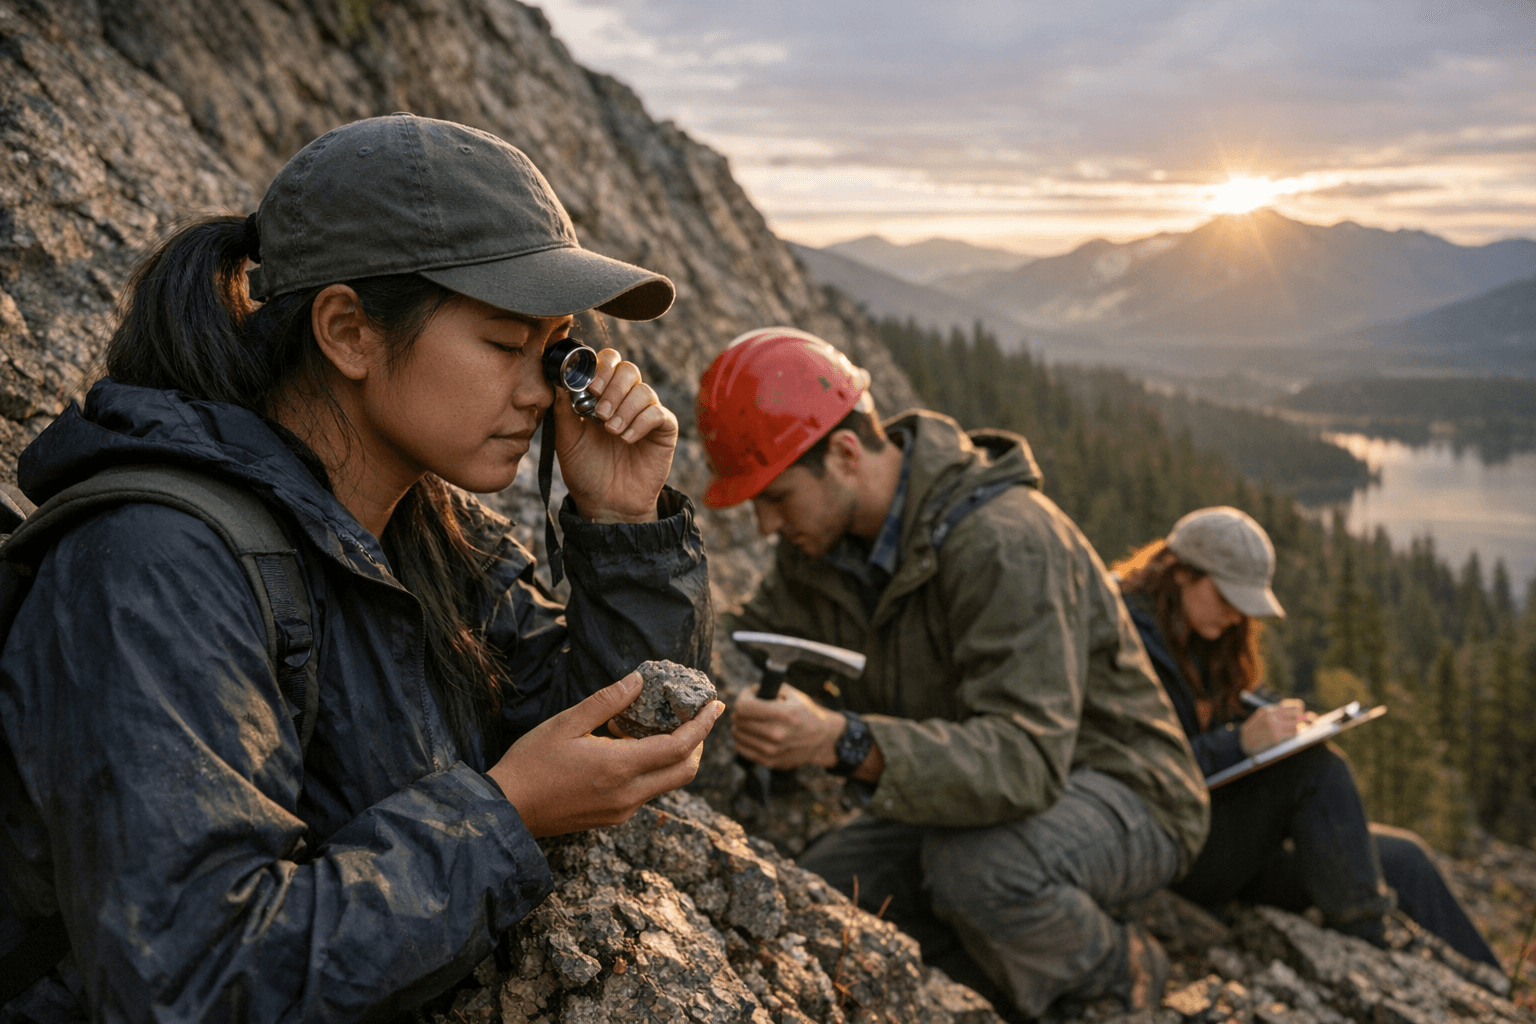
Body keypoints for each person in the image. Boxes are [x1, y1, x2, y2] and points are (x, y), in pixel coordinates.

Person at [0, 113, 723, 1022]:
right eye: (505, 346)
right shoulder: (155, 565)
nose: (542, 392)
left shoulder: (423, 529)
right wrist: (502, 816)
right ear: (347, 331)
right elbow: (188, 979)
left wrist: (621, 524)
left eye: (551, 351)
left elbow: (622, 738)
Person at [697, 327, 1210, 1019]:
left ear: (845, 454)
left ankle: (1122, 972)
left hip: (1123, 787)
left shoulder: (1005, 539)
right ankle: (1017, 967)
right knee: (828, 890)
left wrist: (841, 741)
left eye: (777, 497)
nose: (764, 526)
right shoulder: (819, 549)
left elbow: (1027, 759)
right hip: (979, 798)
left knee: (977, 873)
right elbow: (746, 639)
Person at [1116, 506, 1499, 968]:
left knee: (1406, 859)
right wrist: (1238, 745)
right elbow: (1134, 766)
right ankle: (1372, 954)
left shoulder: (1199, 633)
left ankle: (1502, 996)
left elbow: (1240, 700)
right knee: (1317, 769)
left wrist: (1280, 722)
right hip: (1171, 850)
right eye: (1226, 597)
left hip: (1225, 840)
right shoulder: (1125, 641)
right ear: (1180, 574)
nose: (1238, 617)